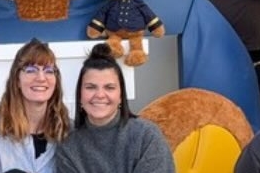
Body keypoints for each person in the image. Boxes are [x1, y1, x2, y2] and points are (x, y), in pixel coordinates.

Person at [55, 43, 173, 173]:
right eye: (91, 87)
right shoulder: (68, 143)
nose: (100, 95)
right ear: (80, 95)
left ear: (121, 95)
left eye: (109, 87)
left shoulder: (146, 136)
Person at [0, 39, 70, 173]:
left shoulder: (70, 132)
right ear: (17, 80)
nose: (41, 77)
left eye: (49, 71)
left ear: (56, 81)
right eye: (31, 70)